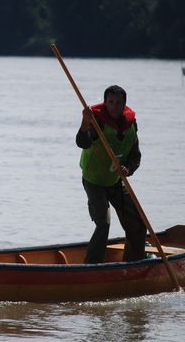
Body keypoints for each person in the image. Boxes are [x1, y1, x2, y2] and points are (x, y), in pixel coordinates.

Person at [76, 85, 146, 263]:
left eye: (118, 103)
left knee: (138, 225)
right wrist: (85, 122)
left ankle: (133, 264)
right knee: (103, 224)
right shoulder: (97, 121)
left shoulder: (131, 125)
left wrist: (127, 169)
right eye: (111, 102)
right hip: (94, 181)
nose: (114, 107)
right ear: (105, 103)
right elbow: (82, 142)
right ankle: (91, 267)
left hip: (115, 182)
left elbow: (135, 156)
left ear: (124, 104)